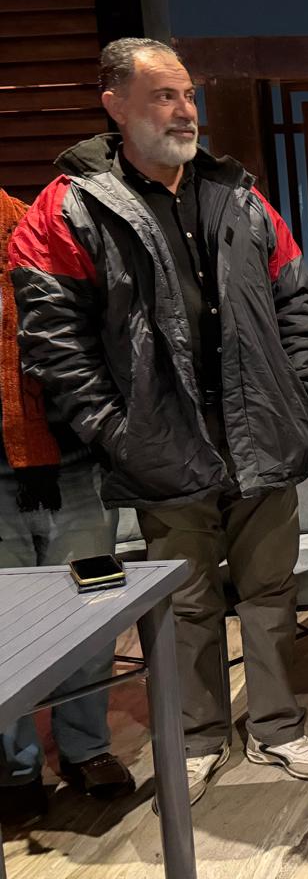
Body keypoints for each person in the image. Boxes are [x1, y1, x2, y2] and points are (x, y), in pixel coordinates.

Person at [9, 38, 308, 809]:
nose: (185, 109)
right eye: (163, 95)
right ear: (114, 104)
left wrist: (302, 392)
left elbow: (295, 293)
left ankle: (277, 726)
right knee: (184, 600)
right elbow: (52, 339)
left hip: (262, 434)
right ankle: (197, 737)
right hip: (160, 444)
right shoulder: (71, 206)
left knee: (270, 588)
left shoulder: (239, 195)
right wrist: (114, 430)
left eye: (188, 94)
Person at [0, 187, 135, 827]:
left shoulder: (43, 231)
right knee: (5, 629)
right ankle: (15, 765)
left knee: (92, 610)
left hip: (76, 464)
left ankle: (86, 747)